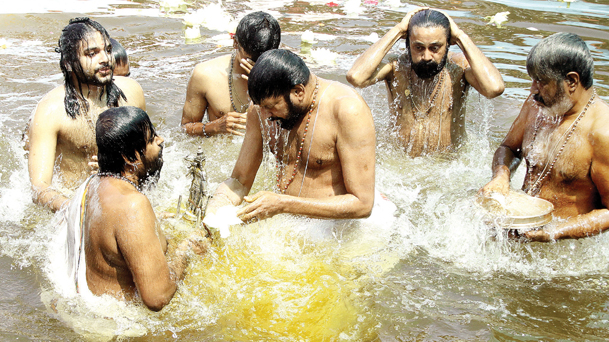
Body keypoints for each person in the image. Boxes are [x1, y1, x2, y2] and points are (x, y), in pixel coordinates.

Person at [479, 32, 609, 241]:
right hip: (521, 229)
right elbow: (508, 148)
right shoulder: (537, 105)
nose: (532, 89)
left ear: (572, 81)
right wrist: (501, 176)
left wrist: (553, 233)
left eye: (541, 81)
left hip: (564, 248)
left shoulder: (607, 132)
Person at [206, 49, 375, 222]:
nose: (266, 115)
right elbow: (239, 181)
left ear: (298, 92)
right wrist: (213, 212)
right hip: (284, 219)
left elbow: (362, 204)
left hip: (333, 228)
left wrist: (283, 204)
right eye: (261, 107)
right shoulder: (261, 110)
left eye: (271, 106)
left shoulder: (348, 111)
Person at [62, 106, 202, 311]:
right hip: (123, 327)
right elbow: (157, 297)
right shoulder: (132, 205)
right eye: (152, 138)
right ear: (130, 158)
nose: (161, 140)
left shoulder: (92, 184)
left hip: (91, 315)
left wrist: (155, 220)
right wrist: (187, 249)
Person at [346, 8, 504, 157]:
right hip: (401, 163)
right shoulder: (396, 67)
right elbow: (356, 77)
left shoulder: (459, 68)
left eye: (435, 48)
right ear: (408, 44)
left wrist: (461, 36)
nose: (427, 56)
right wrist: (398, 30)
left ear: (448, 44)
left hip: (448, 164)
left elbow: (493, 88)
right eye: (418, 47)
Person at [26, 17, 146, 212]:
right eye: (92, 53)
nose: (106, 59)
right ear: (68, 63)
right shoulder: (50, 112)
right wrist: (80, 211)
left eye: (107, 50)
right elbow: (40, 189)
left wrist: (124, 167)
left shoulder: (131, 93)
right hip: (76, 202)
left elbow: (150, 155)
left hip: (125, 196)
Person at [181, 11, 280, 137]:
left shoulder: (286, 76)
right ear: (235, 43)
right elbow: (184, 129)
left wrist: (268, 88)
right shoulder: (205, 75)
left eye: (263, 61)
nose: (257, 67)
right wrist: (216, 126)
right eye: (250, 60)